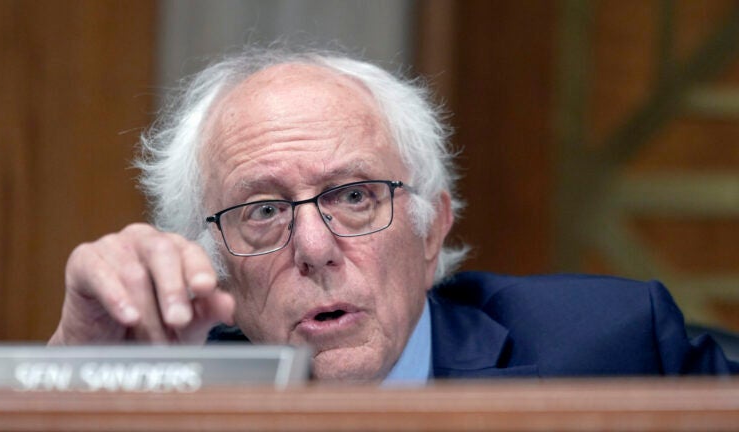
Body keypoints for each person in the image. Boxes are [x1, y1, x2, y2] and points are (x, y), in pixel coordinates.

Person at [49, 47, 738, 382]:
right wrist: (77, 371)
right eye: (263, 209)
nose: (314, 247)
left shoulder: (613, 344)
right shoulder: (168, 390)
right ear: (215, 261)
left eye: (354, 197)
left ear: (432, 228)